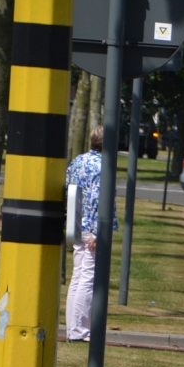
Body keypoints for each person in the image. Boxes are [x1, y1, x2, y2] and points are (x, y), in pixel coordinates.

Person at [64, 126, 114, 342]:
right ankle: (80, 330)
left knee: (78, 276)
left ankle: (73, 327)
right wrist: (96, 231)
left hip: (76, 223)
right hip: (91, 226)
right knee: (88, 276)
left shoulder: (78, 160)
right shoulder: (103, 166)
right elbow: (97, 198)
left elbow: (68, 187)